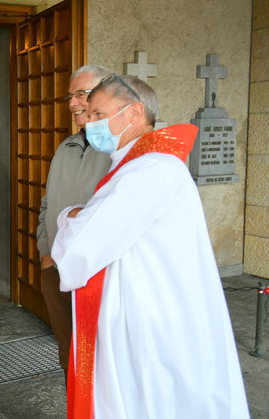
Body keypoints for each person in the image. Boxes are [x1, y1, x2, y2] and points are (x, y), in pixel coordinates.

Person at [51, 74, 249, 418]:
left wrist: (68, 215)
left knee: (148, 399)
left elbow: (81, 247)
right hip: (148, 306)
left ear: (134, 113)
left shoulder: (149, 170)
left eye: (99, 115)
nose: (90, 122)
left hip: (149, 318)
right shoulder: (142, 166)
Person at [36, 65, 112, 378]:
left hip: (94, 277)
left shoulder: (118, 151)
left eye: (81, 94)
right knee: (69, 360)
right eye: (71, 95)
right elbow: (47, 203)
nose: (72, 103)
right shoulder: (65, 147)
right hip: (55, 270)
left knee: (100, 364)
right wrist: (44, 250)